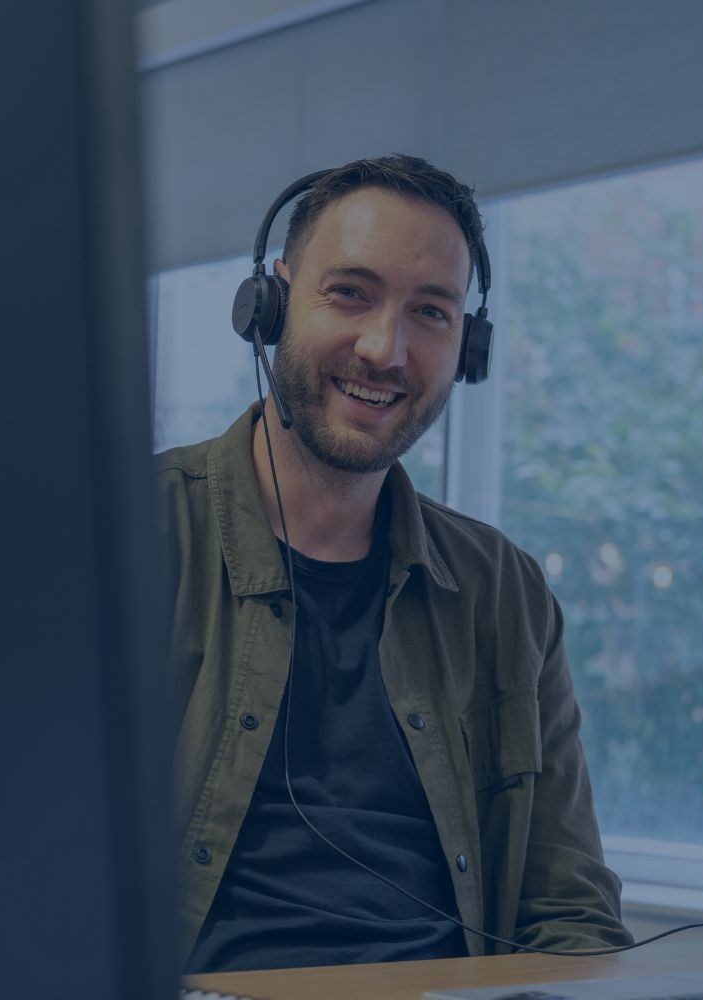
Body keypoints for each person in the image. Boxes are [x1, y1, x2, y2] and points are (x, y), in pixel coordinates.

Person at [158, 155, 632, 974]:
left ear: (468, 346)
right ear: (269, 303)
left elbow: (568, 910)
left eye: (432, 313)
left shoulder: (503, 592)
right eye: (349, 293)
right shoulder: (133, 534)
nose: (385, 348)